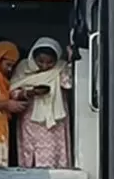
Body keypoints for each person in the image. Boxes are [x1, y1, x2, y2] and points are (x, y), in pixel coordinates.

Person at [9, 37, 73, 169]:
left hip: (55, 121)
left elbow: (68, 84)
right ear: (33, 57)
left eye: (50, 62)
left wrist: (71, 62)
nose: (45, 66)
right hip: (30, 120)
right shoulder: (23, 68)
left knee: (54, 151)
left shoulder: (60, 68)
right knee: (30, 151)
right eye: (40, 61)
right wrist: (29, 93)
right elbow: (12, 92)